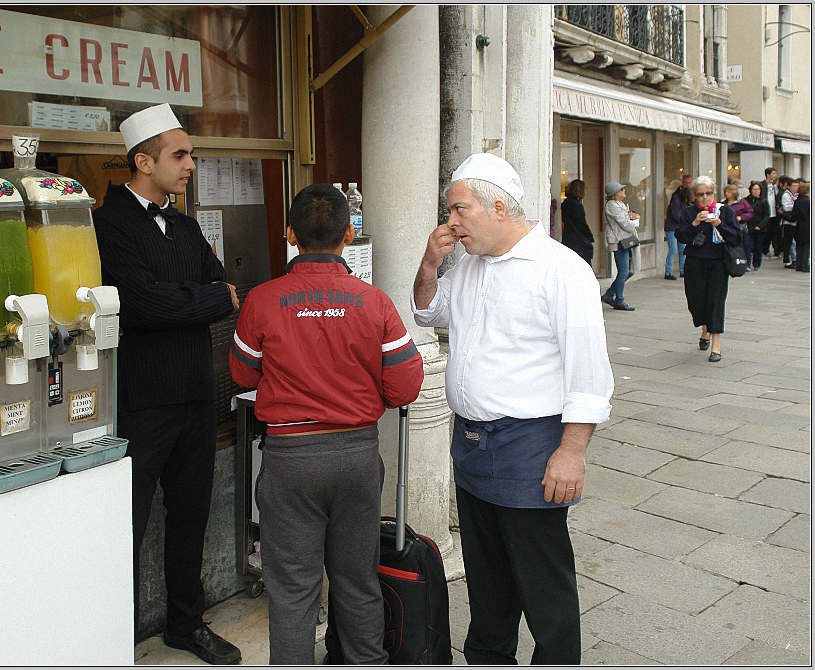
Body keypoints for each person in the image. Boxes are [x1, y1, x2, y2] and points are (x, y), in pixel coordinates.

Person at [411, 153, 613, 665]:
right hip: (473, 445)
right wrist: (430, 263)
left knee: (543, 585)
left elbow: (588, 373)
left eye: (459, 208)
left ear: (499, 206)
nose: (450, 221)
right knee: (486, 581)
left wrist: (572, 451)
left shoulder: (562, 269)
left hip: (530, 447)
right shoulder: (471, 265)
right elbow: (427, 309)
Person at [229, 184, 424, 665]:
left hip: (290, 462)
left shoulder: (263, 300)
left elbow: (241, 373)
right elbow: (404, 387)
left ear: (291, 234)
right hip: (356, 458)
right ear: (349, 234)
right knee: (358, 583)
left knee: (293, 592)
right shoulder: (374, 302)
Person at [92, 103, 242, 664]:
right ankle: (114, 636)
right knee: (125, 523)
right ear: (142, 160)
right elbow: (141, 304)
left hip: (198, 393)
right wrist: (197, 300)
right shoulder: (108, 225)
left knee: (189, 516)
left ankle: (185, 622)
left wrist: (188, 300)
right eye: (180, 155)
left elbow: (223, 286)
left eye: (191, 155)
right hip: (141, 400)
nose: (190, 166)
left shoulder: (182, 223)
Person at [674, 176, 741, 363]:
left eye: (709, 193)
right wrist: (695, 223)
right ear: (694, 195)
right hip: (695, 263)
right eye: (700, 194)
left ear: (714, 193)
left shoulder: (725, 211)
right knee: (697, 302)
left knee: (716, 301)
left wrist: (719, 224)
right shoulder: (689, 213)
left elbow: (736, 237)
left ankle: (716, 346)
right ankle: (705, 329)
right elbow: (680, 236)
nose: (705, 197)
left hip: (719, 263)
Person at [600, 181, 640, 310]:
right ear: (615, 193)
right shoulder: (612, 205)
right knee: (624, 271)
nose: (624, 191)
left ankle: (610, 294)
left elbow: (626, 219)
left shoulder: (621, 204)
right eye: (621, 189)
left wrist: (632, 217)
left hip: (626, 239)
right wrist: (634, 222)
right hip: (619, 241)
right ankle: (619, 300)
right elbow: (624, 223)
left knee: (628, 270)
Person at [560, 179, 594, 265]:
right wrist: (589, 236)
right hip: (579, 241)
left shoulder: (565, 203)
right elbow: (581, 223)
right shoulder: (576, 205)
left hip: (568, 238)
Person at [722, 184, 754, 271]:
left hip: (740, 226)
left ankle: (746, 264)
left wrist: (741, 217)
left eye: (729, 192)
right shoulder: (723, 203)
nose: (727, 193)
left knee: (745, 245)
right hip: (728, 227)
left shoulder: (742, 202)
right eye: (726, 192)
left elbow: (750, 212)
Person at [664, 185, 693, 279]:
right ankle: (668, 272)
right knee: (672, 249)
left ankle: (683, 270)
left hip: (679, 227)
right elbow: (676, 216)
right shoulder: (676, 202)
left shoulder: (682, 202)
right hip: (672, 228)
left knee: (682, 250)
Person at [744, 181, 770, 270]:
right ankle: (747, 264)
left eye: (757, 189)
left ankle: (757, 263)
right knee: (747, 245)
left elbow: (767, 215)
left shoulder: (763, 201)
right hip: (749, 226)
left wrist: (760, 225)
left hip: (759, 227)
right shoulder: (746, 200)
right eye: (754, 189)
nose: (756, 191)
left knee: (758, 246)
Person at [785, 181, 810, 272]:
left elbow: (794, 216)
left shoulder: (797, 201)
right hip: (808, 226)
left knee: (800, 246)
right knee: (807, 246)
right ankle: (805, 265)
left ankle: (799, 264)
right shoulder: (808, 201)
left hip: (799, 226)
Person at [780, 178, 799, 268]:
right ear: (789, 186)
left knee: (794, 242)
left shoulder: (796, 195)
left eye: (797, 186)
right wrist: (795, 206)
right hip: (788, 221)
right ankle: (787, 260)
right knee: (789, 242)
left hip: (795, 222)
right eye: (794, 186)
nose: (796, 188)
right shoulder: (786, 195)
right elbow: (786, 207)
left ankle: (795, 258)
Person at [762, 167, 779, 257]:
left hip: (774, 212)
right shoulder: (762, 185)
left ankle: (770, 248)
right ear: (768, 175)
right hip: (766, 212)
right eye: (773, 174)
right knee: (766, 232)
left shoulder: (775, 186)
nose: (775, 176)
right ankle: (764, 249)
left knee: (773, 232)